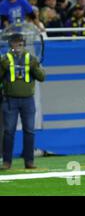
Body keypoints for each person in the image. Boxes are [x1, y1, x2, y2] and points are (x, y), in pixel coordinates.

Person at [0, 33, 45, 169]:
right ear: (10, 44)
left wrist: (35, 67)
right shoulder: (4, 59)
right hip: (10, 100)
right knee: (8, 131)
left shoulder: (30, 58)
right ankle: (7, 162)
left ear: (24, 43)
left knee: (29, 131)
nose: (18, 44)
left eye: (20, 42)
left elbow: (42, 77)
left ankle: (29, 161)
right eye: (15, 42)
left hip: (27, 100)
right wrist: (2, 68)